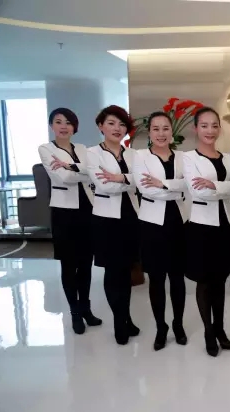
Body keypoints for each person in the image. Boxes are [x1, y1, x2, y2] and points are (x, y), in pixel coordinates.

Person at [38, 108, 102, 334]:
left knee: (85, 264)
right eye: (58, 122)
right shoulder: (46, 149)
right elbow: (63, 178)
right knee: (69, 265)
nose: (63, 126)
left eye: (68, 122)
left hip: (87, 210)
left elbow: (94, 173)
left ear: (75, 127)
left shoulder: (83, 149)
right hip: (64, 213)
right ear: (51, 126)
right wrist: (80, 171)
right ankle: (74, 312)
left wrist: (71, 167)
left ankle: (86, 309)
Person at [133, 111, 189, 351]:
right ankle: (161, 327)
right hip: (152, 225)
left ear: (171, 131)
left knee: (177, 278)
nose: (161, 133)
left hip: (179, 222)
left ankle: (178, 324)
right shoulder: (140, 156)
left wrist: (163, 184)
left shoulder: (183, 157)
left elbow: (189, 185)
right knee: (156, 279)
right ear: (149, 132)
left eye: (165, 128)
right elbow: (147, 190)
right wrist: (175, 188)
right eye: (156, 129)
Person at [182, 107, 230, 357]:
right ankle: (208, 331)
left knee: (220, 279)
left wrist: (215, 185)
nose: (210, 130)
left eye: (214, 125)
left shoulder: (228, 158)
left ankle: (220, 328)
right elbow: (198, 191)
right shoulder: (188, 158)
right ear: (196, 128)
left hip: (225, 224)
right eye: (204, 125)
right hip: (201, 226)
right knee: (204, 281)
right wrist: (224, 188)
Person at [87, 105, 140, 345]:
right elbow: (104, 186)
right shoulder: (93, 153)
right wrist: (129, 181)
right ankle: (120, 321)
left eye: (121, 124)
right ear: (101, 126)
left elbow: (140, 183)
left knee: (126, 270)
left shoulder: (132, 154)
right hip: (106, 218)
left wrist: (120, 178)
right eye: (111, 123)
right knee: (112, 271)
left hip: (131, 216)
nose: (117, 128)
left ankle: (126, 317)